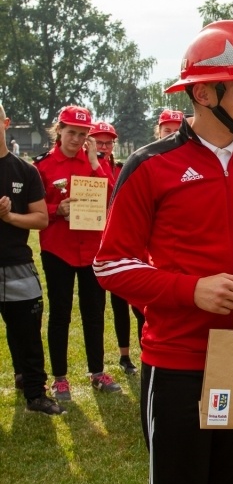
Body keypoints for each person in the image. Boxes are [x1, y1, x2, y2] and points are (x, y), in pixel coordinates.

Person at [93, 20, 233, 484]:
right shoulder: (148, 165)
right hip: (176, 364)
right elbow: (112, 264)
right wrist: (191, 290)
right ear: (205, 94)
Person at [34, 106, 120, 400]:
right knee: (60, 314)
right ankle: (59, 378)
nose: (75, 138)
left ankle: (97, 372)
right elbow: (32, 210)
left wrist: (96, 162)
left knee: (94, 313)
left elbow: (114, 197)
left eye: (82, 134)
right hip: (58, 249)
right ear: (58, 130)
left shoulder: (95, 162)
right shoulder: (43, 167)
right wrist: (55, 210)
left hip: (92, 249)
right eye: (71, 131)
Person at [0, 103, 64, 415]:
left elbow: (40, 219)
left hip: (17, 266)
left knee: (27, 333)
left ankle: (36, 395)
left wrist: (10, 216)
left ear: (6, 123)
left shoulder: (25, 171)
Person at [88, 122, 139, 375]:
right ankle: (109, 360)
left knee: (124, 303)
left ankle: (126, 356)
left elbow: (114, 192)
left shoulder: (118, 168)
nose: (104, 147)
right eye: (99, 142)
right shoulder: (85, 168)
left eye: (108, 143)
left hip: (119, 242)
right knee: (96, 308)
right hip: (90, 242)